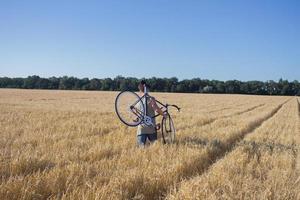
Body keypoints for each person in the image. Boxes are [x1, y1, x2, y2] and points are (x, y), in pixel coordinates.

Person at [136, 80, 166, 147]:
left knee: (140, 149)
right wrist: (164, 115)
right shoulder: (151, 98)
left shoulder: (138, 100)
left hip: (141, 128)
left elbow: (138, 114)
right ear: (147, 89)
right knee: (154, 147)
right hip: (151, 128)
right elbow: (156, 109)